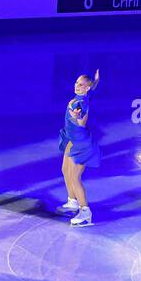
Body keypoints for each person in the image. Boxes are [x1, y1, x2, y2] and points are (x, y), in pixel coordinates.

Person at [56, 70, 101, 227]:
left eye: (81, 85)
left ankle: (85, 213)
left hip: (81, 143)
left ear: (86, 88)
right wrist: (95, 81)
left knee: (75, 178)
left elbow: (81, 120)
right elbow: (92, 87)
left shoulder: (81, 103)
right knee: (64, 170)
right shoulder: (83, 95)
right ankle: (72, 201)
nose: (77, 86)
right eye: (77, 83)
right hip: (71, 139)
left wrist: (77, 117)